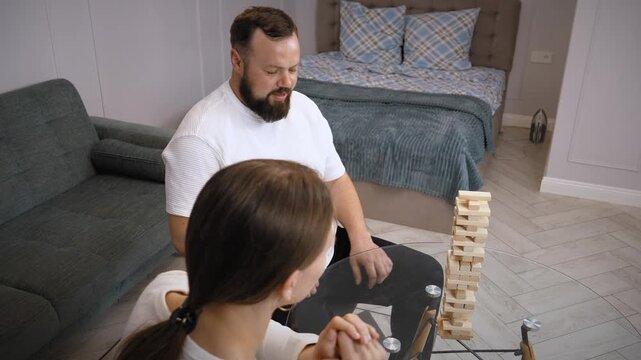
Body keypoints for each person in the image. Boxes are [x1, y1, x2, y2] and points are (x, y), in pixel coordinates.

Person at [162, 6, 393, 288]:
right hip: (262, 282)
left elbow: (335, 181)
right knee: (335, 332)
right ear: (237, 60)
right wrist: (276, 275)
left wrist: (361, 240)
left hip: (324, 257)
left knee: (420, 284)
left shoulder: (304, 108)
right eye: (272, 71)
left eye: (293, 69)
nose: (287, 83)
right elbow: (184, 236)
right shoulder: (200, 137)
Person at [116, 159, 387, 360]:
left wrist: (312, 354)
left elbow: (255, 334)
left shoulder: (166, 289)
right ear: (289, 284)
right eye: (326, 250)